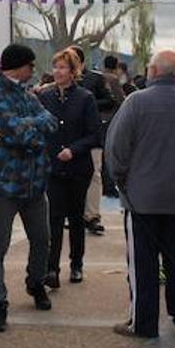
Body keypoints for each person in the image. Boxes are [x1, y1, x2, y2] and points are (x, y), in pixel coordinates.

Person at [106, 50, 175, 338]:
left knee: (142, 264)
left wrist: (120, 179)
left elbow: (116, 149)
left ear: (151, 71)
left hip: (141, 197)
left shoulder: (136, 102)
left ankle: (144, 322)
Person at [0, 43, 59, 332]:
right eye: (30, 65)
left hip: (34, 184)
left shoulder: (28, 94)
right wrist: (30, 128)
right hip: (3, 184)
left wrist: (29, 127)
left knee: (42, 240)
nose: (34, 70)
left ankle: (35, 282)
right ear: (18, 65)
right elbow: (15, 134)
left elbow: (49, 124)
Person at [38, 49, 102, 287]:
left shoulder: (85, 98)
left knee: (75, 217)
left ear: (73, 71)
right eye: (55, 67)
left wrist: (73, 150)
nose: (57, 71)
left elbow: (95, 134)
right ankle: (51, 268)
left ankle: (76, 264)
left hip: (78, 167)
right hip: (53, 168)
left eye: (63, 67)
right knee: (53, 218)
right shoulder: (46, 97)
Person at [72, 45, 117, 238]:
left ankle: (92, 215)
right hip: (68, 136)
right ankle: (74, 213)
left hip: (91, 135)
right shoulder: (59, 80)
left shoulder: (95, 79)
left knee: (94, 174)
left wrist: (86, 104)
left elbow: (110, 100)